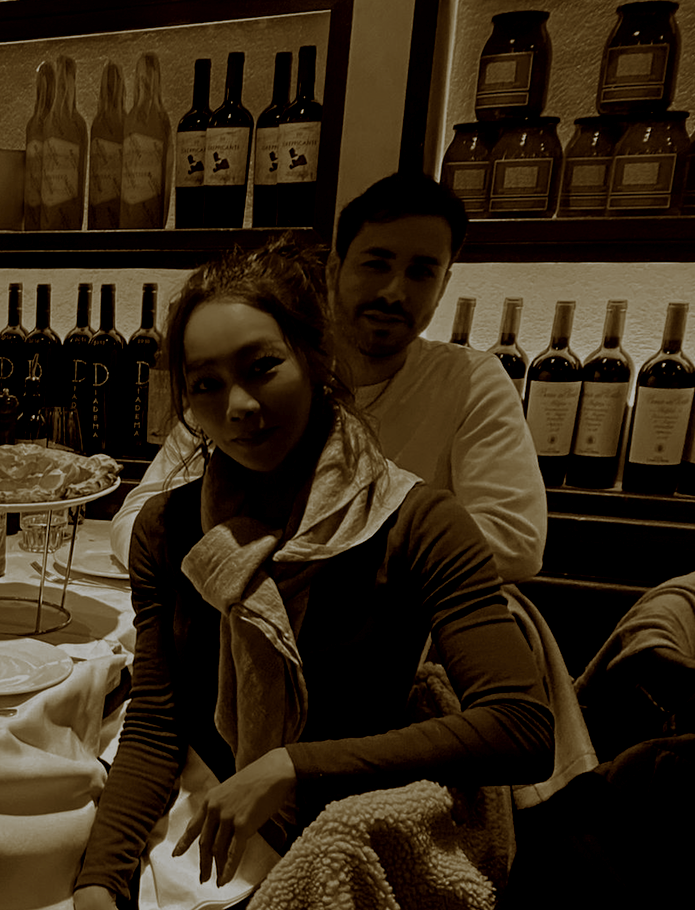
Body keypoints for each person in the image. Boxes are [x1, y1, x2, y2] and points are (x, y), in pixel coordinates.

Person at [73, 237, 553, 909]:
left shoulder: (418, 522)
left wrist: (290, 765)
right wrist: (99, 878)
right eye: (206, 384)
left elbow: (522, 727)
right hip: (201, 829)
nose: (238, 405)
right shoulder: (168, 528)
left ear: (316, 358)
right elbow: (159, 721)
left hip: (341, 842)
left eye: (262, 367)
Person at [111, 171, 546, 584]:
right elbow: (135, 522)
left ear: (443, 285)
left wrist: (313, 563)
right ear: (334, 270)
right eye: (376, 264)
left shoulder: (470, 381)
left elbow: (517, 543)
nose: (394, 292)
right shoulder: (268, 373)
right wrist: (241, 571)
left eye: (421, 271)